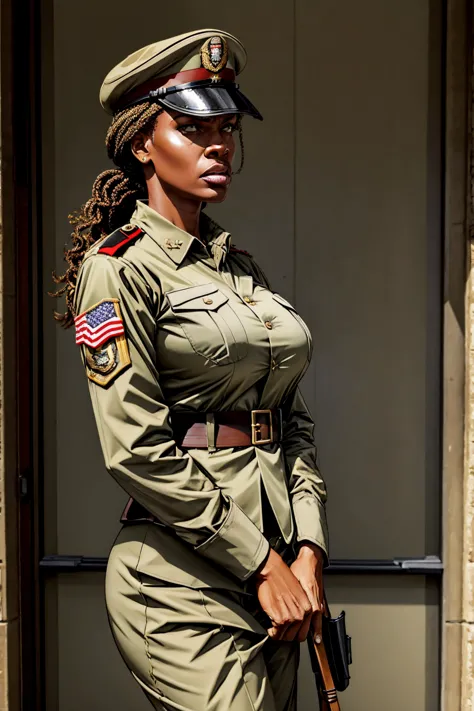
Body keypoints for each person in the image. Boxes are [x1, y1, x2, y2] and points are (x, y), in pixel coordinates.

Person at [52, 28, 329, 711]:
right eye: (193, 127)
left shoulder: (242, 270)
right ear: (143, 141)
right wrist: (261, 561)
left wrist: (309, 550)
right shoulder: (118, 269)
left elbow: (291, 422)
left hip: (278, 579)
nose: (219, 147)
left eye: (228, 128)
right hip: (182, 583)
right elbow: (135, 450)